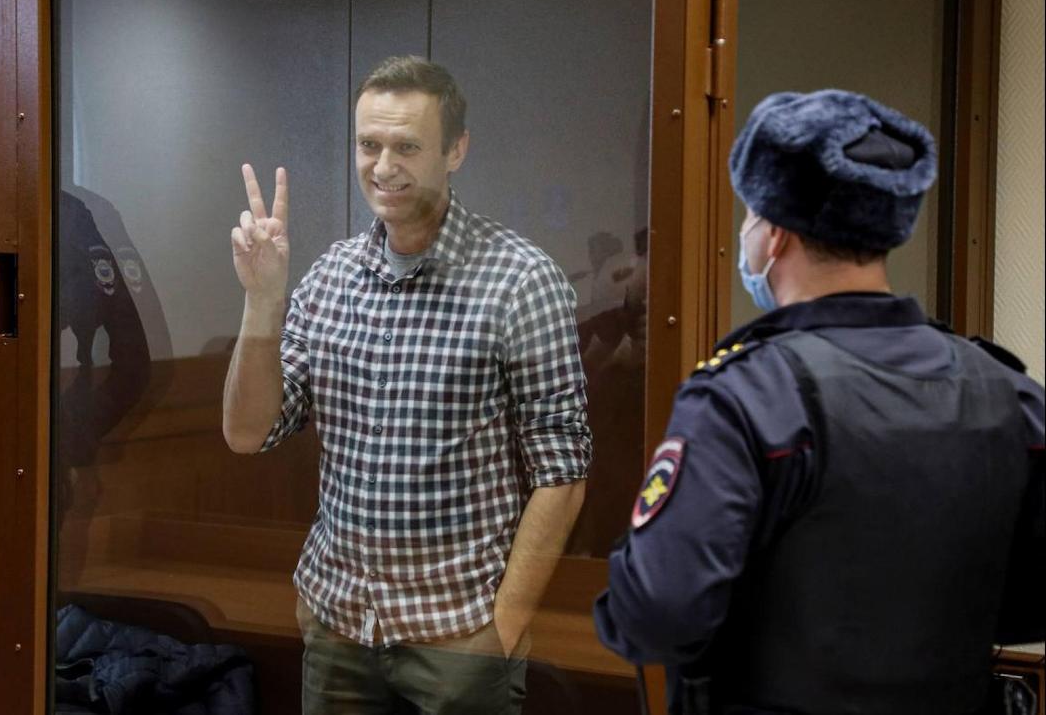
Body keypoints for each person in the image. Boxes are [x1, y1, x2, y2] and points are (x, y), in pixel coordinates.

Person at [593, 89, 1045, 715]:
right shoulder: (1008, 394)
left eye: (750, 215)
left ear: (775, 234)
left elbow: (655, 615)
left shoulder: (746, 399)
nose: (746, 233)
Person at [222, 55, 592, 714]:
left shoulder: (520, 281)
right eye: (369, 145)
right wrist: (262, 299)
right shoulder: (331, 277)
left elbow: (561, 472)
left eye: (407, 147)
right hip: (338, 625)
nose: (383, 167)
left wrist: (502, 629)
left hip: (459, 638)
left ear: (455, 151)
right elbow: (249, 433)